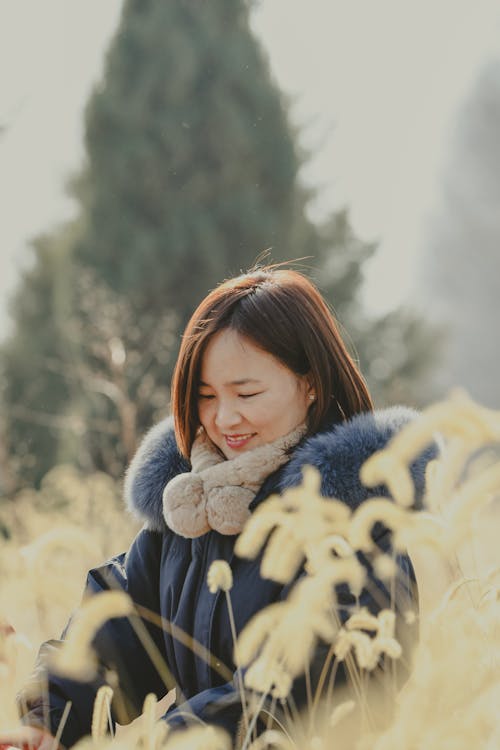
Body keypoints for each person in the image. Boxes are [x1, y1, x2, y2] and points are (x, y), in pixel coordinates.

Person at [16, 267, 435, 747]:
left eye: (246, 393)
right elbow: (112, 633)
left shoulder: (360, 520)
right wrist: (47, 720)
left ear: (311, 383)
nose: (224, 418)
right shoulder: (188, 510)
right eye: (205, 396)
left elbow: (302, 694)